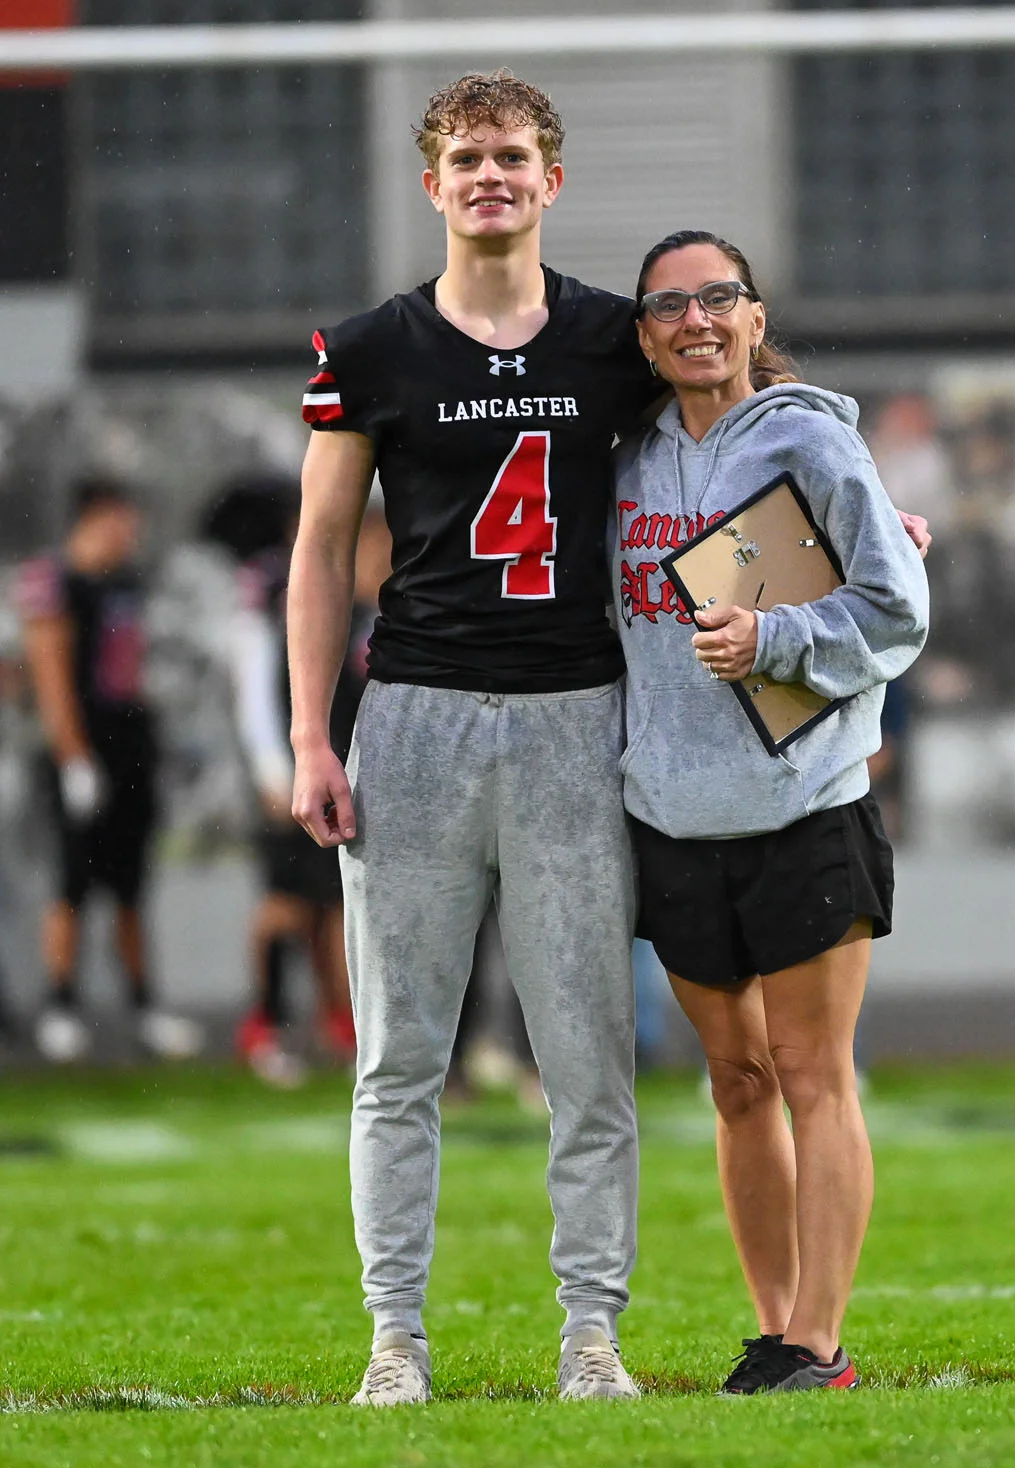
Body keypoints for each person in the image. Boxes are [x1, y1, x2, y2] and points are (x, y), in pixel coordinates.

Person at [287, 70, 931, 1407]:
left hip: (580, 721)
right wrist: (308, 731)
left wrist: (870, 525)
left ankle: (594, 1338)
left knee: (589, 1062)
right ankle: (392, 1342)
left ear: (552, 178)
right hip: (414, 715)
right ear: (433, 183)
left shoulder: (606, 336)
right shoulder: (368, 348)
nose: (490, 176)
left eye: (513, 154)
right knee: (400, 1057)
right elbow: (314, 549)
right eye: (466, 156)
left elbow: (748, 408)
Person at [612, 231, 929, 1393]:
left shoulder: (815, 440)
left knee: (811, 1075)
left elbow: (898, 611)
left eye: (717, 298)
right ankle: (774, 1327)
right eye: (667, 307)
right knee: (736, 1082)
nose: (695, 320)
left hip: (806, 807)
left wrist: (776, 636)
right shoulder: (621, 459)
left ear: (753, 316)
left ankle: (820, 1340)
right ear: (642, 336)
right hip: (675, 817)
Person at [17, 477, 203, 1064]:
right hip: (81, 749)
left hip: (129, 746)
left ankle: (144, 1006)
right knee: (72, 884)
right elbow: (50, 678)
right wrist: (73, 758)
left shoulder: (128, 581)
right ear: (94, 518)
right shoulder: (55, 582)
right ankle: (60, 1004)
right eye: (122, 520)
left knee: (130, 885)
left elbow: (130, 670)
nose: (130, 533)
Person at [232, 497, 390, 1085]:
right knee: (284, 903)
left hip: (339, 781)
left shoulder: (365, 613)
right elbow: (264, 696)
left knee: (331, 906)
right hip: (294, 780)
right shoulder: (294, 608)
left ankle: (335, 1022)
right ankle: (265, 1024)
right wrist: (278, 768)